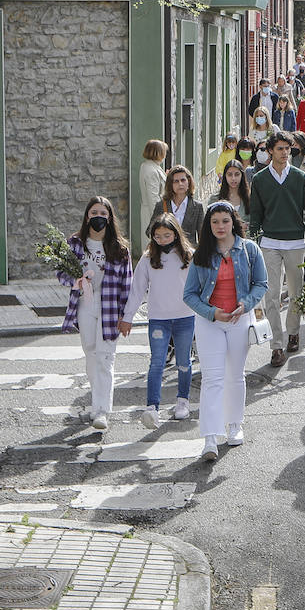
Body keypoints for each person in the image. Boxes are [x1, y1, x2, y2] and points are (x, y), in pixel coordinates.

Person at [183, 201, 268, 463]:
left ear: (234, 221)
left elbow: (261, 283)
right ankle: (210, 437)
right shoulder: (202, 254)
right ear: (208, 226)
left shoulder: (250, 250)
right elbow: (189, 295)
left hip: (239, 320)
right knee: (212, 379)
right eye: (215, 222)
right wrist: (212, 312)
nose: (220, 226)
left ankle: (234, 424)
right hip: (210, 322)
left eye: (225, 221)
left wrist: (246, 305)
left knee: (235, 376)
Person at [56, 197, 133, 432]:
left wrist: (126, 315)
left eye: (103, 212)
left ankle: (101, 410)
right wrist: (75, 281)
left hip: (110, 305)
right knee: (90, 352)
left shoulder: (119, 249)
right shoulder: (75, 244)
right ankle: (95, 399)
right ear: (87, 216)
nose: (98, 216)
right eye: (93, 212)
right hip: (85, 303)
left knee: (105, 357)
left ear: (109, 218)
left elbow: (127, 284)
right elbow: (60, 272)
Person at [249, 130, 305, 367]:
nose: (284, 153)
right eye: (279, 148)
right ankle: (276, 345)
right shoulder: (259, 180)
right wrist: (254, 242)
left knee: (296, 293)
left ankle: (294, 331)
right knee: (271, 296)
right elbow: (256, 215)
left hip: (295, 243)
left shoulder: (300, 178)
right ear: (270, 151)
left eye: (288, 149)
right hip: (269, 243)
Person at [120, 213, 194, 428]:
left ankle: (183, 400)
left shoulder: (189, 256)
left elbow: (201, 285)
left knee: (183, 362)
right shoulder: (147, 259)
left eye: (167, 235)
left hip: (185, 317)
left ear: (176, 234)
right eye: (158, 236)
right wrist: (128, 317)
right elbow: (137, 290)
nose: (162, 240)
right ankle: (152, 407)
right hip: (158, 319)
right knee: (157, 363)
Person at [151, 165, 203, 246]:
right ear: (170, 185)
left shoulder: (197, 207)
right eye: (176, 181)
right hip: (165, 252)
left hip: (188, 254)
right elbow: (150, 231)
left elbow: (202, 235)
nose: (180, 184)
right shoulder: (161, 205)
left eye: (183, 180)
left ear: (188, 182)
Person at [139, 140, 168, 248]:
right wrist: (159, 218)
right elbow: (153, 197)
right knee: (153, 243)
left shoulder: (148, 166)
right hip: (152, 212)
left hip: (149, 209)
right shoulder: (151, 170)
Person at [217, 159, 251, 226]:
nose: (233, 178)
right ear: (225, 176)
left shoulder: (251, 198)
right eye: (229, 174)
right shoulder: (215, 199)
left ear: (242, 176)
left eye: (237, 174)